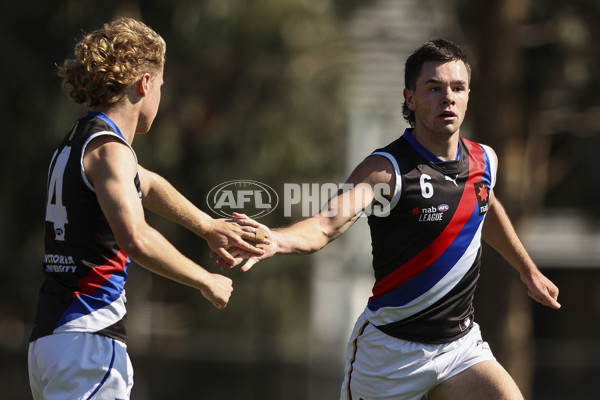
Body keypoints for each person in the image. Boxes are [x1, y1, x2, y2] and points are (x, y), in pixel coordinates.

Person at [221, 39, 561, 400]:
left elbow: (484, 207)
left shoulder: (484, 160)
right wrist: (276, 240)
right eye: (434, 88)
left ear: (467, 95)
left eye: (457, 88)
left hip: (459, 348)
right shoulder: (386, 171)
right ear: (410, 98)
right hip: (390, 356)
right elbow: (325, 225)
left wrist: (527, 269)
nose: (448, 97)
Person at [28, 17, 268, 400]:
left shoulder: (80, 140)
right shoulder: (111, 151)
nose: (161, 95)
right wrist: (205, 280)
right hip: (89, 344)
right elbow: (136, 239)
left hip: (51, 342)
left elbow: (149, 183)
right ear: (144, 83)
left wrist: (207, 226)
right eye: (161, 86)